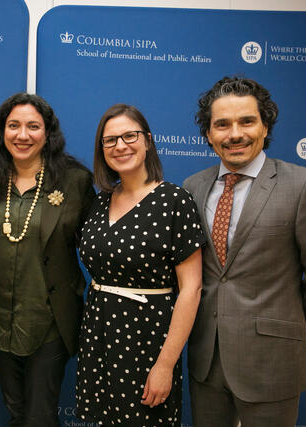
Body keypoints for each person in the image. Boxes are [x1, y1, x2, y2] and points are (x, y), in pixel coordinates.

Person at [183, 76, 306, 427]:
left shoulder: (304, 186)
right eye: (222, 125)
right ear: (209, 134)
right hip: (206, 363)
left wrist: (283, 324)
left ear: (265, 125)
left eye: (247, 121)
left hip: (272, 363)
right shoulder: (193, 187)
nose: (235, 134)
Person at [76, 104, 205, 426]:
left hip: (148, 340)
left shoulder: (175, 200)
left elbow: (191, 289)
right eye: (110, 140)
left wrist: (165, 364)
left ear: (147, 141)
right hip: (99, 334)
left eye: (129, 136)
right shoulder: (98, 201)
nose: (120, 146)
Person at [0, 93, 95, 426]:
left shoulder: (74, 181)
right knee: (15, 412)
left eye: (33, 126)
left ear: (48, 133)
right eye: (13, 126)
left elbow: (99, 246)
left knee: (40, 417)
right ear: (2, 132)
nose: (22, 135)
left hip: (49, 322)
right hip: (2, 321)